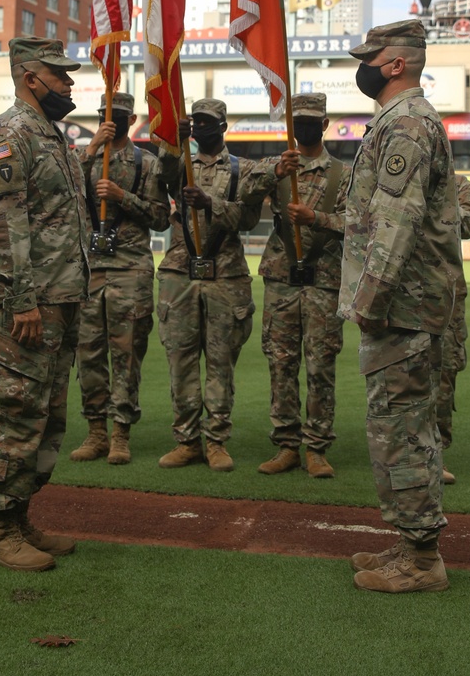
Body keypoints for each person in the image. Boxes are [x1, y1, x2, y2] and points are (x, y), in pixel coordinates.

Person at [340, 20, 462, 595]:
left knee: (404, 428)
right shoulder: (399, 121)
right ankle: (408, 540)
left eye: (369, 57)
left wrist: (369, 298)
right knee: (396, 424)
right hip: (406, 305)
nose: (361, 66)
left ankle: (422, 559)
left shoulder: (407, 125)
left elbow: (396, 222)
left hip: (402, 308)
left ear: (395, 64)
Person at [0, 37, 90, 572]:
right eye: (59, 75)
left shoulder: (52, 137)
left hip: (58, 300)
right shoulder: (10, 135)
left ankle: (19, 519)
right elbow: (2, 223)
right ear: (29, 76)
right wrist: (21, 300)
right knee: (15, 411)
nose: (69, 84)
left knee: (46, 418)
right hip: (23, 305)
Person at [155, 98, 273, 473]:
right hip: (180, 271)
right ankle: (186, 441)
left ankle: (217, 441)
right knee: (181, 361)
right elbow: (164, 173)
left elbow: (250, 218)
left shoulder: (244, 169)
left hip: (225, 274)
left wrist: (211, 204)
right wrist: (174, 142)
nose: (201, 128)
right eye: (196, 122)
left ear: (222, 127)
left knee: (221, 363)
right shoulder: (181, 164)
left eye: (208, 123)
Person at [252, 92, 349, 480]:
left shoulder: (344, 174)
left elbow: (358, 224)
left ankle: (317, 447)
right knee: (280, 364)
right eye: (298, 121)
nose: (305, 127)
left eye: (312, 121)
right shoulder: (275, 167)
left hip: (324, 282)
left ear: (325, 124)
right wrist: (273, 173)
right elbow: (241, 203)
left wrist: (317, 219)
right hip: (281, 281)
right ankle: (287, 445)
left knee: (321, 367)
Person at [71, 91, 170, 466]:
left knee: (127, 354)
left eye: (119, 116)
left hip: (130, 268)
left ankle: (120, 433)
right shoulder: (85, 158)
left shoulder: (147, 163)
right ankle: (95, 430)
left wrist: (121, 196)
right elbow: (61, 191)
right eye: (105, 116)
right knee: (89, 352)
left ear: (131, 120)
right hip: (89, 268)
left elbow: (161, 216)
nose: (111, 121)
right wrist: (91, 147)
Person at [436, 173, 470, 484]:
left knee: (443, 375)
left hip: (445, 292)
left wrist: (432, 205)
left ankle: (435, 456)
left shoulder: (457, 183)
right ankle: (399, 455)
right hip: (400, 290)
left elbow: (469, 224)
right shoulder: (396, 176)